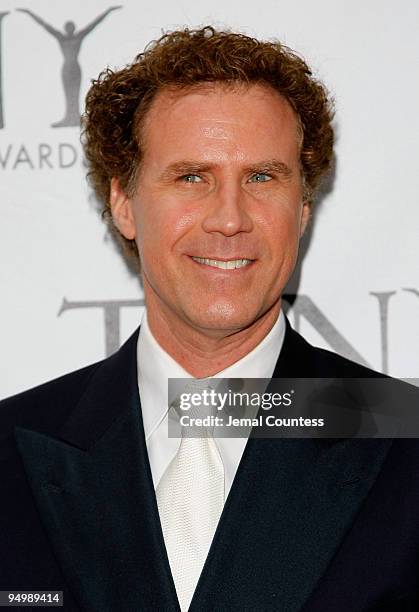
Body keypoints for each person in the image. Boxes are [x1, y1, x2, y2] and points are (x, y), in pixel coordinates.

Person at [1, 26, 418, 612]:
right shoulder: (15, 446)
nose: (229, 219)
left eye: (262, 177)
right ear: (123, 203)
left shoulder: (403, 435)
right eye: (192, 176)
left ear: (302, 208)